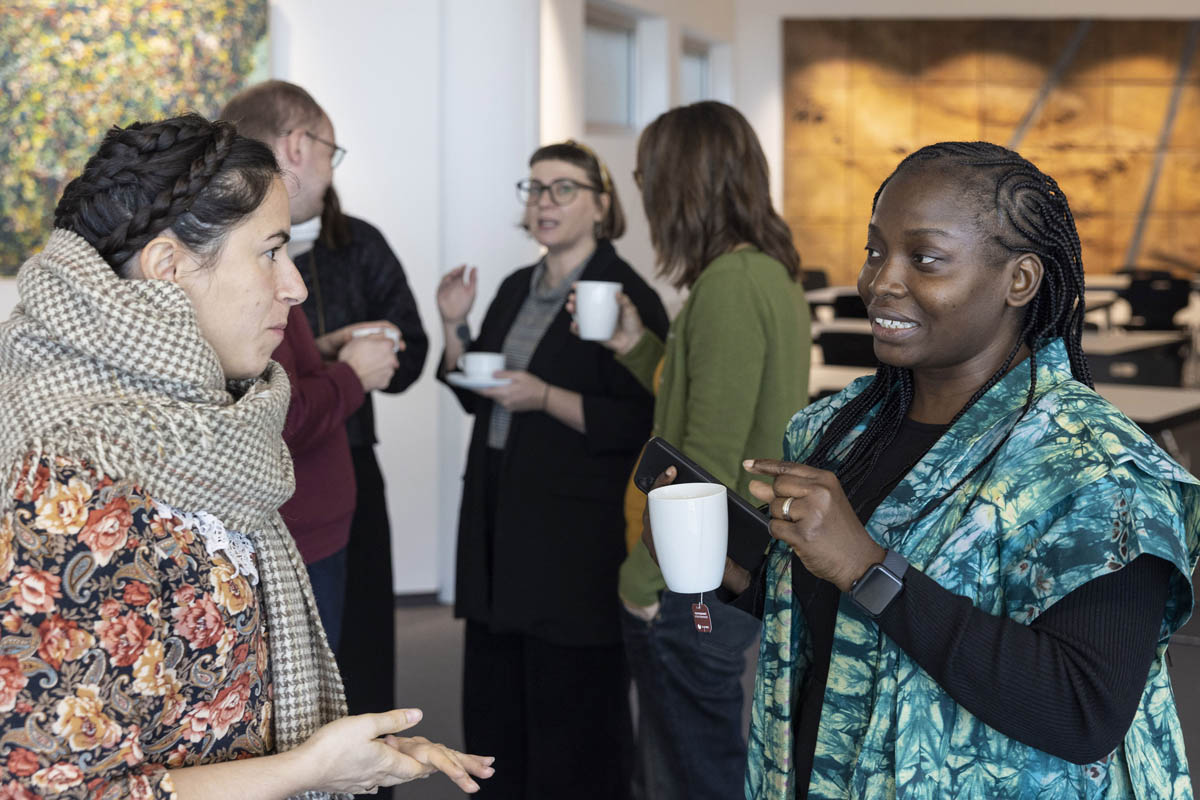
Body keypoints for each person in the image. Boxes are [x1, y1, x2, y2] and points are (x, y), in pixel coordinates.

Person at [677, 141, 1196, 798]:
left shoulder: (1095, 469)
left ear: (1021, 281)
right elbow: (833, 634)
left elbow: (1083, 710)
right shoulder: (835, 431)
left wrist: (869, 568)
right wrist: (737, 575)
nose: (881, 281)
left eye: (924, 258)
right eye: (874, 251)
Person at [0, 114, 492, 797]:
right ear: (168, 269)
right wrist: (307, 770)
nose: (294, 286)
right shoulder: (68, 481)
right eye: (270, 252)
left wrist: (318, 749)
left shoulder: (201, 432)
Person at [576, 101, 810, 800]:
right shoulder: (761, 274)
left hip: (693, 580)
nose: (642, 191)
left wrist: (645, 585)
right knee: (695, 760)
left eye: (648, 175)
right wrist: (637, 348)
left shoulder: (729, 287)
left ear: (685, 183)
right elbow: (716, 405)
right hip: (721, 568)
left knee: (691, 772)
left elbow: (702, 464)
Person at [436, 140, 668, 798]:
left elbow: (645, 421)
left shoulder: (627, 297)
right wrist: (455, 325)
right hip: (499, 520)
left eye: (564, 188)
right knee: (496, 704)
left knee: (575, 717)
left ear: (601, 205)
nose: (544, 202)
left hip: (572, 537)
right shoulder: (516, 287)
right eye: (536, 188)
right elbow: (473, 383)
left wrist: (543, 397)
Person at [222, 82, 428, 728]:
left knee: (348, 669)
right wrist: (351, 377)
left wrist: (330, 357)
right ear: (297, 146)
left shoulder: (346, 242)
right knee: (310, 709)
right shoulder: (239, 252)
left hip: (326, 491)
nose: (292, 285)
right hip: (297, 510)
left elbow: (283, 375)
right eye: (332, 151)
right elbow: (275, 411)